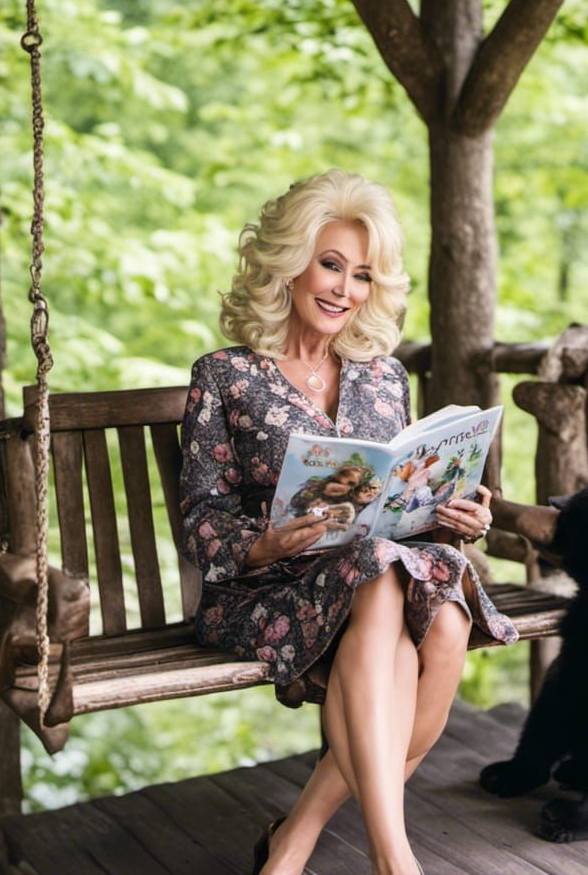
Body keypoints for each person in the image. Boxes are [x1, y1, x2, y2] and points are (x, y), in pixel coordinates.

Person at [178, 169, 518, 875]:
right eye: (331, 264)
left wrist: (455, 512)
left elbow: (396, 494)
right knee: (388, 594)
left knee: (443, 617)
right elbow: (201, 516)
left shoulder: (382, 375)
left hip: (373, 574)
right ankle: (394, 859)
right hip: (269, 588)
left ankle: (293, 843)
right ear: (290, 263)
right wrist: (264, 541)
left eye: (361, 274)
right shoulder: (225, 375)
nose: (343, 288)